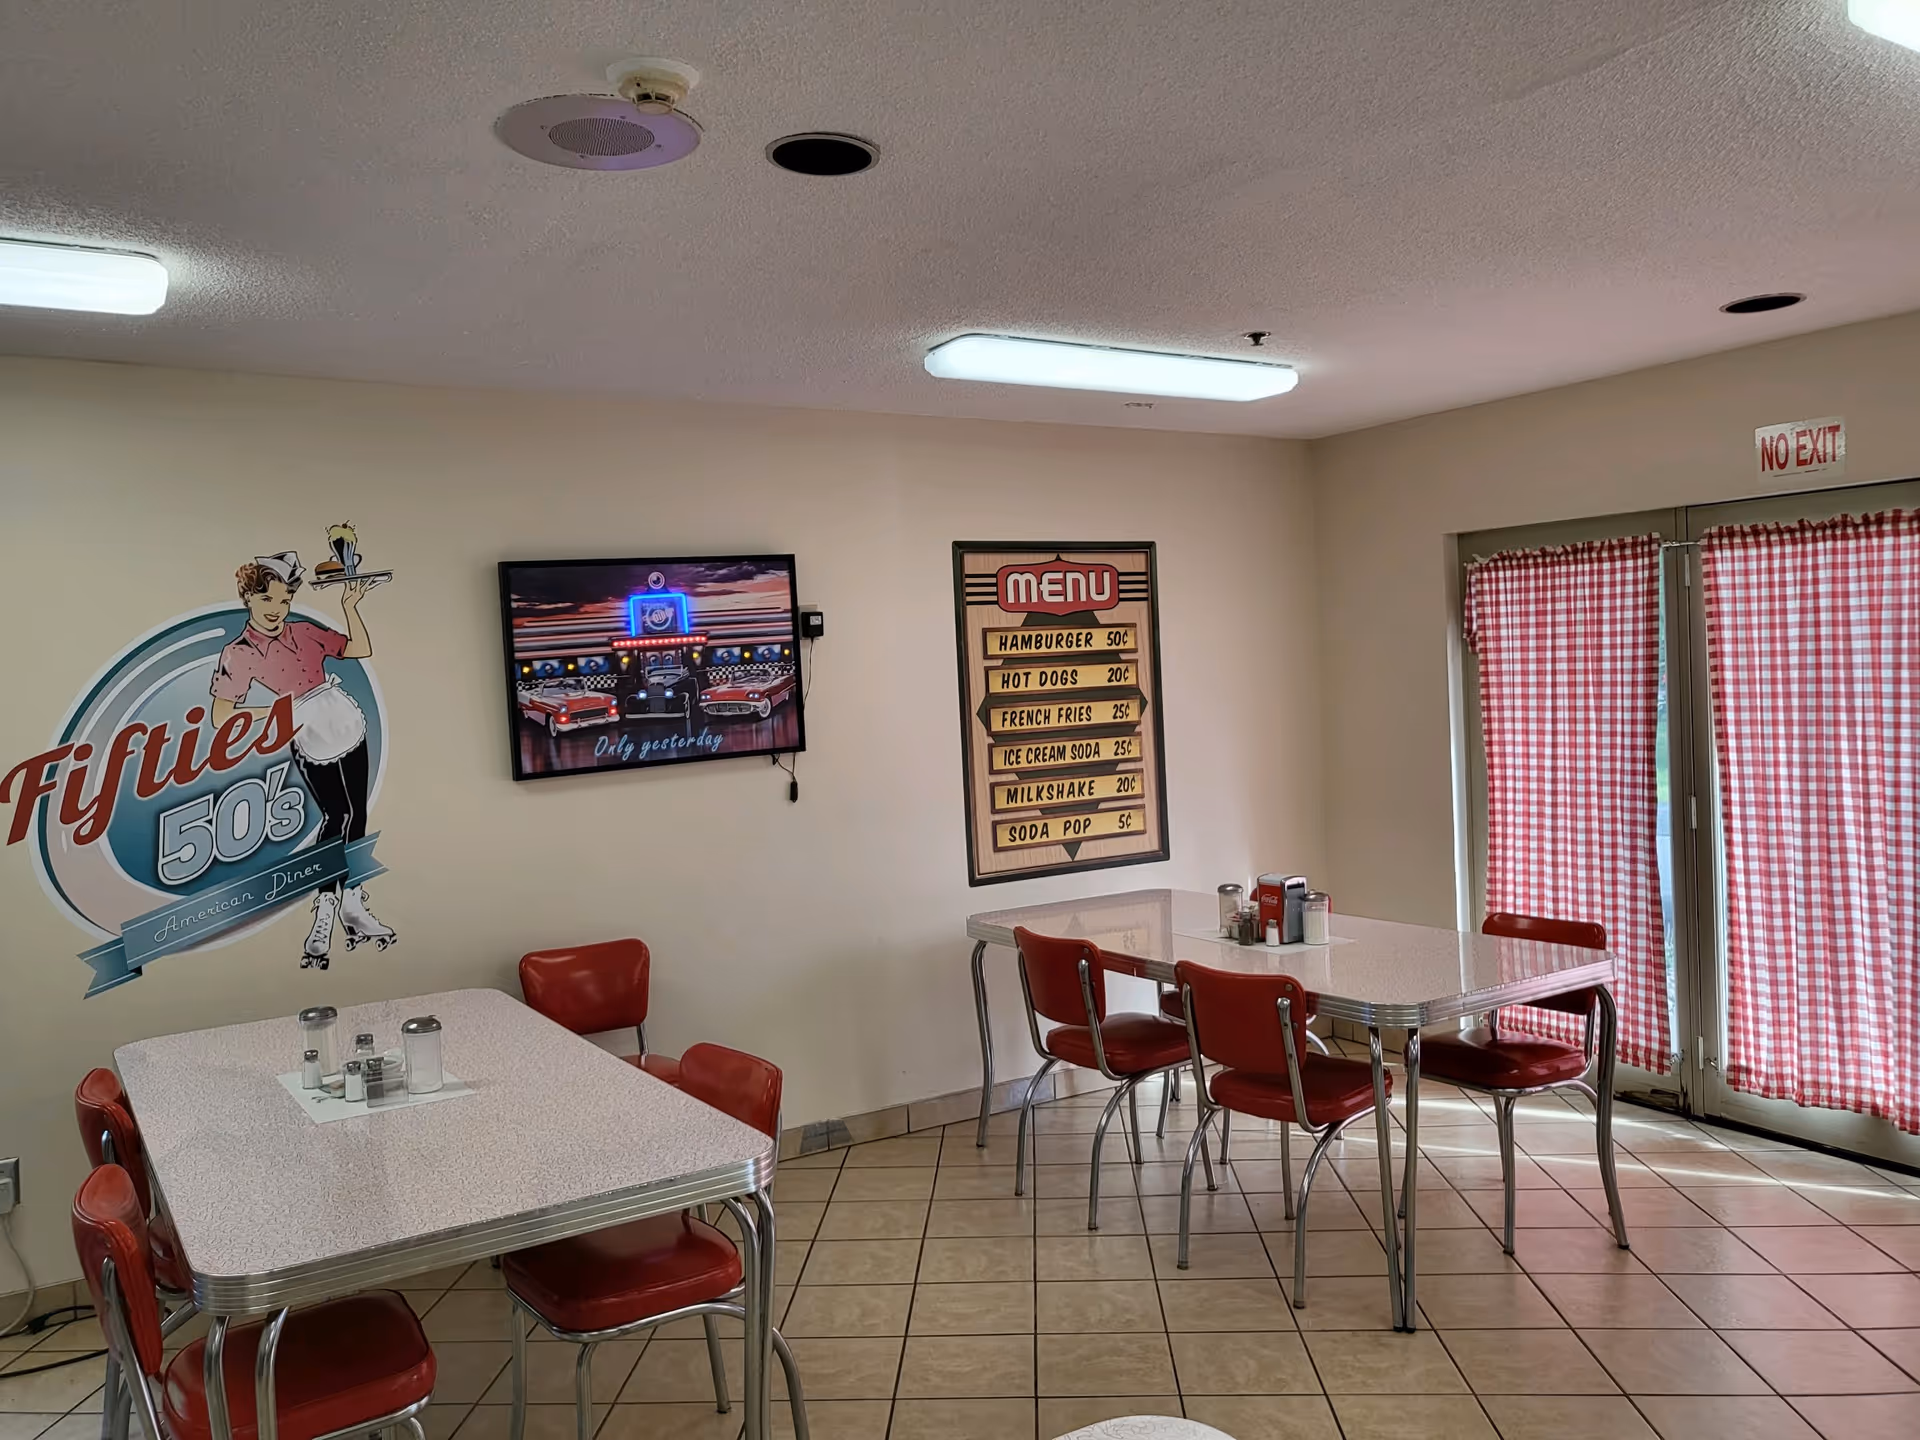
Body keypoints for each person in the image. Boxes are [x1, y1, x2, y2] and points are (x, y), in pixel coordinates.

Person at [210, 550, 394, 968]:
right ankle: (325, 907)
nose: (277, 610)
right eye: (267, 600)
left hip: (340, 716)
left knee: (356, 812)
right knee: (334, 817)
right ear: (249, 599)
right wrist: (279, 714)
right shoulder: (238, 653)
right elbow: (223, 716)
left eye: (283, 600)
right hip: (304, 728)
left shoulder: (305, 632)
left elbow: (358, 647)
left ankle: (352, 903)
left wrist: (350, 606)